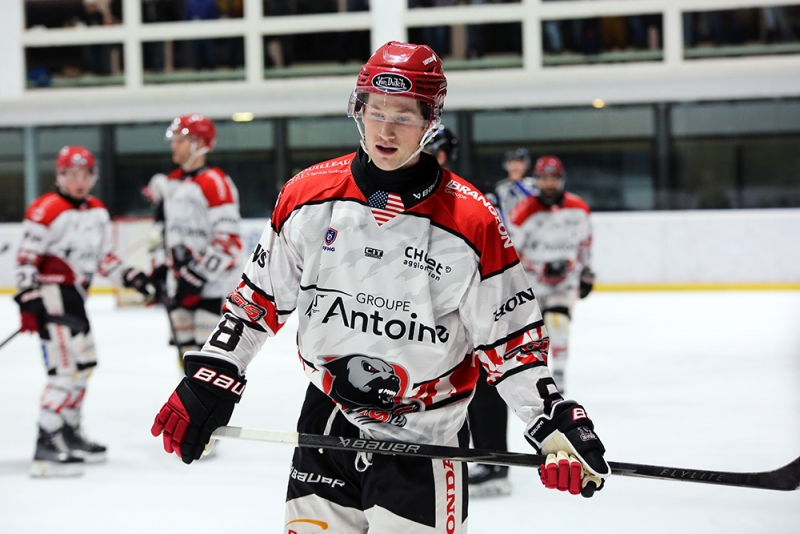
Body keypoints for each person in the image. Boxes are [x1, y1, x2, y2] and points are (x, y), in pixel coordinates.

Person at [151, 41, 610, 532]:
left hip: (425, 436)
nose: (386, 129)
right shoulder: (307, 196)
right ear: (359, 109)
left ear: (430, 121)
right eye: (376, 110)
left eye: (405, 116)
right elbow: (257, 299)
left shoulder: (473, 221)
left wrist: (553, 419)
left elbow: (511, 342)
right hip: (326, 427)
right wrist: (215, 370)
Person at [14, 146, 153, 477]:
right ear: (60, 176)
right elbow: (25, 258)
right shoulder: (45, 209)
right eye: (71, 175)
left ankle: (68, 431)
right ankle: (46, 444)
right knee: (64, 372)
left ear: (93, 177)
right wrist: (28, 298)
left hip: (76, 299)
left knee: (84, 367)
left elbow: (104, 259)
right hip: (51, 298)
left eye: (84, 175)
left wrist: (132, 277)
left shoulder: (97, 211)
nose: (78, 182)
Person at [466, 146, 539, 498]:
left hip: (504, 283)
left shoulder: (529, 193)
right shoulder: (498, 194)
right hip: (489, 284)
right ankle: (488, 459)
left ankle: (494, 461)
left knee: (487, 378)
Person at [148, 114, 243, 369]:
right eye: (175, 140)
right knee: (186, 360)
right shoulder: (172, 183)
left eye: (181, 140)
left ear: (199, 143)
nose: (174, 146)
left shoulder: (214, 182)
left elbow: (230, 241)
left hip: (211, 287)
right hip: (180, 283)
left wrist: (198, 274)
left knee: (209, 362)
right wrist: (161, 268)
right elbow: (168, 235)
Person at [508, 155, 595, 394]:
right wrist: (539, 268)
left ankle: (558, 373)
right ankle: (536, 375)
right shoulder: (522, 211)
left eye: (554, 178)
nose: (549, 184)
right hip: (532, 283)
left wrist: (587, 272)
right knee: (532, 335)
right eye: (544, 179)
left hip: (563, 283)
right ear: (537, 180)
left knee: (558, 324)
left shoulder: (578, 209)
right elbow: (511, 251)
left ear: (562, 179)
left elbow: (585, 244)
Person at [492, 147, 538, 226]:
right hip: (506, 230)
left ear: (526, 165)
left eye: (519, 163)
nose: (515, 166)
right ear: (506, 165)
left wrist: (519, 185)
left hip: (530, 228)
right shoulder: (499, 187)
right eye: (511, 162)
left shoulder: (534, 184)